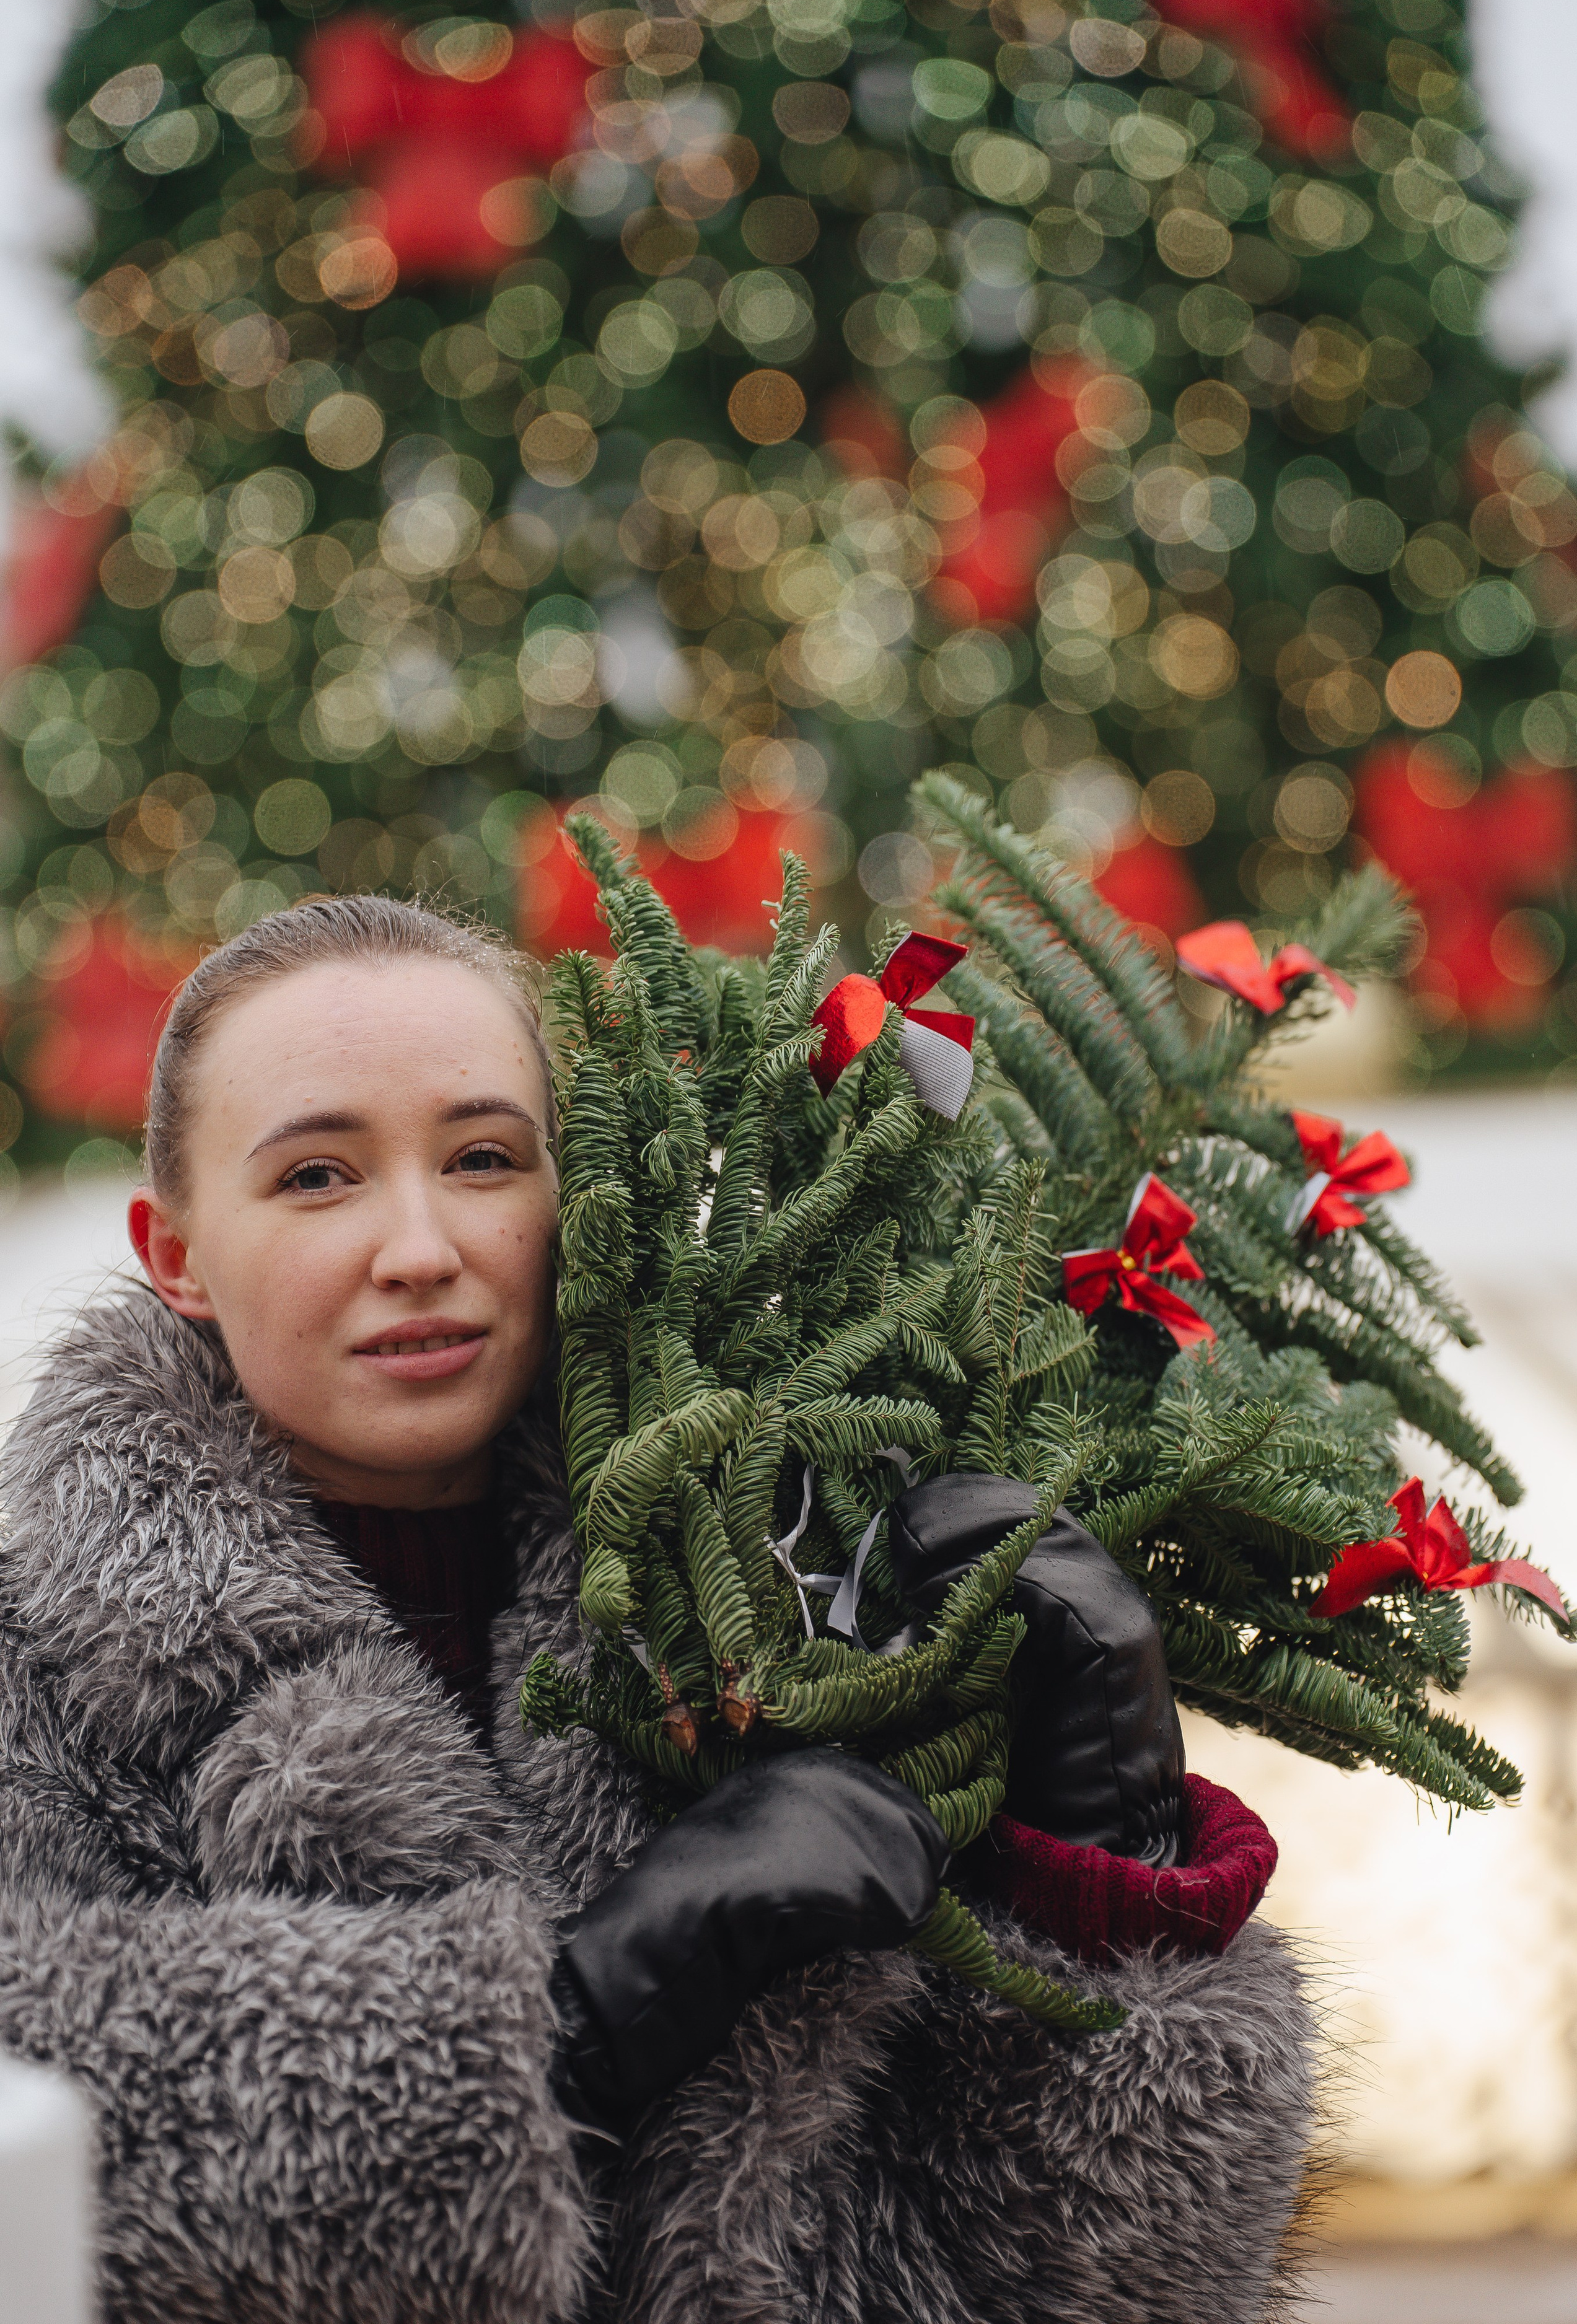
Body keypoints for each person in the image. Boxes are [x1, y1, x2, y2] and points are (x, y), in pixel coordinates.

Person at [0, 897, 1311, 2324]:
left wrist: (1100, 1858)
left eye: (486, 1158)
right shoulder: (38, 1671)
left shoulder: (782, 1604)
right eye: (318, 1176)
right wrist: (577, 2018)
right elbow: (47, 2158)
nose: (422, 1246)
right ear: (175, 1250)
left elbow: (1084, 2282)